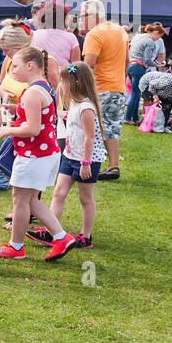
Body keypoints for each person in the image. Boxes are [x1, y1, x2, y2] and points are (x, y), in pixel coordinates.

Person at [0, 46, 79, 261]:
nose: (12, 71)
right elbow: (40, 117)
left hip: (33, 153)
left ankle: (16, 246)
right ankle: (60, 237)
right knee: (29, 200)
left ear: (30, 66)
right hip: (45, 152)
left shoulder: (31, 93)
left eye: (15, 66)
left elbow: (32, 129)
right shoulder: (43, 87)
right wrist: (15, 109)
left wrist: (6, 130)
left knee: (20, 199)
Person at [46, 62, 106, 249]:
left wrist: (86, 163)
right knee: (58, 193)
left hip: (86, 160)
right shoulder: (74, 103)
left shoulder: (86, 108)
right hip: (70, 156)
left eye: (64, 81)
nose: (61, 85)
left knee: (85, 198)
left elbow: (89, 137)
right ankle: (52, 231)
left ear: (76, 82)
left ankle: (85, 236)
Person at [80, 0, 128, 179]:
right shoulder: (120, 30)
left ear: (94, 16)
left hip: (100, 87)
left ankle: (92, 165)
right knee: (112, 128)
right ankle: (113, 165)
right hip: (118, 87)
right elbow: (126, 60)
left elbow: (89, 64)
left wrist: (83, 88)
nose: (81, 20)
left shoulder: (94, 34)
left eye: (83, 16)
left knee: (93, 128)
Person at [126, 23, 167, 123]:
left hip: (131, 66)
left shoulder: (139, 37)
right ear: (156, 33)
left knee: (135, 93)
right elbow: (147, 60)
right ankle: (127, 118)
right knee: (136, 94)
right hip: (139, 67)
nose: (159, 39)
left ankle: (135, 118)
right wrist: (158, 65)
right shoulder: (150, 42)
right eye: (159, 36)